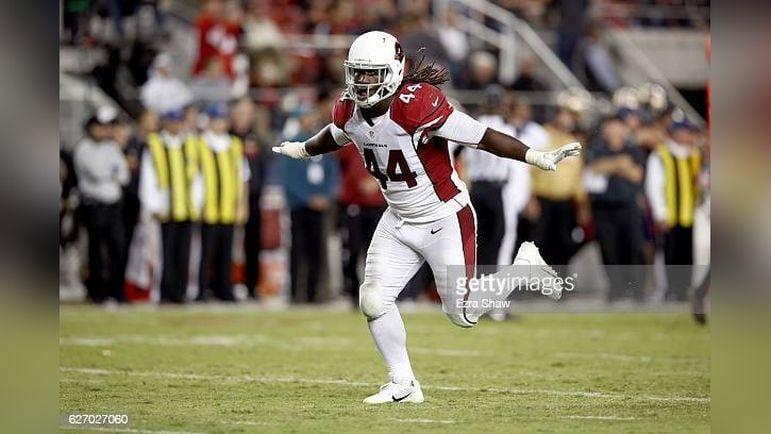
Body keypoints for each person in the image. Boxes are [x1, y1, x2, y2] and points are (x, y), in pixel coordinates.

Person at [272, 31, 580, 404]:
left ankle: (523, 269)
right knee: (372, 299)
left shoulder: (415, 106)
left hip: (444, 217)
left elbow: (479, 136)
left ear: (394, 72)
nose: (362, 83)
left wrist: (534, 156)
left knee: (463, 315)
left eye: (371, 74)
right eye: (358, 73)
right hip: (398, 219)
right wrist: (304, 150)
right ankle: (402, 384)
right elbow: (335, 135)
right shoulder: (347, 109)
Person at [278, 106, 340, 304]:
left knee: (317, 251)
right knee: (297, 250)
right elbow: (289, 179)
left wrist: (325, 196)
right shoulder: (293, 143)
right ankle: (296, 293)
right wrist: (308, 198)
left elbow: (332, 172)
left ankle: (314, 293)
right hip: (299, 206)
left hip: (320, 206)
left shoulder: (321, 141)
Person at [140, 108, 200, 303]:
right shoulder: (155, 144)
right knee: (163, 253)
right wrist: (152, 204)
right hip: (165, 208)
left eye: (178, 122)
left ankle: (181, 291)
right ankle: (164, 290)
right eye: (172, 121)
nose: (176, 126)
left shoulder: (190, 144)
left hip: (187, 207)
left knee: (184, 253)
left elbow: (197, 177)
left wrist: (198, 203)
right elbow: (148, 177)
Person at [584, 114, 646, 302]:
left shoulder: (634, 150)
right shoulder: (597, 148)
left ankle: (636, 289)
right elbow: (594, 167)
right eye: (609, 126)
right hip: (604, 207)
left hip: (628, 206)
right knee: (609, 250)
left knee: (634, 247)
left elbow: (636, 174)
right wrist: (620, 164)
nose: (612, 130)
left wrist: (611, 166)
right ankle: (616, 288)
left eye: (616, 126)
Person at [74, 106, 129, 303]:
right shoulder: (83, 148)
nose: (104, 131)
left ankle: (117, 291)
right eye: (100, 126)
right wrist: (112, 171)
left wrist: (113, 171)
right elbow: (98, 173)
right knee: (96, 250)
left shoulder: (111, 147)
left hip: (113, 205)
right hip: (94, 205)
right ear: (91, 128)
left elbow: (123, 175)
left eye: (107, 127)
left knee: (118, 248)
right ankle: (97, 291)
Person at [645, 118, 703, 301]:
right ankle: (670, 288)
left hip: (693, 214)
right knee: (670, 253)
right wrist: (660, 212)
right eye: (684, 132)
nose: (688, 136)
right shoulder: (661, 154)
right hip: (671, 213)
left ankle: (685, 288)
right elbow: (654, 185)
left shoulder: (696, 154)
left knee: (688, 254)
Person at [197, 103, 250, 302]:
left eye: (223, 120)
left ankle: (224, 289)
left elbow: (243, 177)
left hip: (228, 207)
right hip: (208, 207)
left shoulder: (234, 145)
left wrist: (242, 205)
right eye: (216, 120)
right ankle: (202, 289)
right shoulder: (200, 144)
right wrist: (198, 204)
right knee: (206, 252)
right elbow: (196, 178)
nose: (220, 124)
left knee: (226, 253)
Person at [336, 142, 387, 308]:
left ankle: (379, 293)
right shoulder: (349, 144)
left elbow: (395, 166)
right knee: (352, 250)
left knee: (376, 253)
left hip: (377, 206)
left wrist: (378, 182)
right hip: (353, 204)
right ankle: (353, 292)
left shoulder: (383, 142)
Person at [230, 97, 269, 299]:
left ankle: (251, 286)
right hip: (226, 198)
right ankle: (222, 285)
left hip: (253, 199)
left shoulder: (258, 140)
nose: (244, 117)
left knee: (252, 244)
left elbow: (263, 169)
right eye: (240, 112)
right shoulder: (227, 136)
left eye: (247, 113)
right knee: (224, 243)